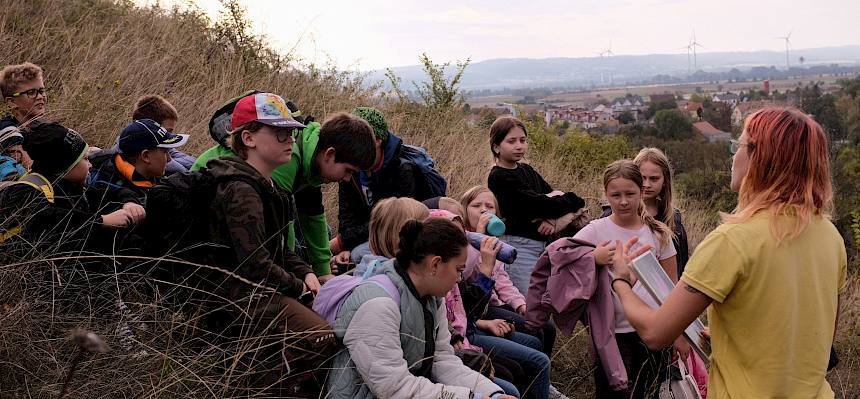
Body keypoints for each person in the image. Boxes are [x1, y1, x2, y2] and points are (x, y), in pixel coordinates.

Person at [608, 107, 847, 398]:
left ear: (761, 158)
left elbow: (656, 333)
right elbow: (815, 339)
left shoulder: (732, 241)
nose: (733, 156)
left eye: (739, 146)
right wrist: (730, 338)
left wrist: (620, 282)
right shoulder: (829, 235)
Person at [197, 93, 336, 392]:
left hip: (256, 287)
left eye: (292, 133)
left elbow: (277, 247)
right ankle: (254, 390)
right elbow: (254, 262)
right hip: (237, 293)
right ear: (248, 138)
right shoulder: (241, 189)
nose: (290, 140)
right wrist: (297, 286)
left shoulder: (268, 184)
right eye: (280, 133)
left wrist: (305, 271)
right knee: (321, 335)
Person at [193, 95, 377, 282]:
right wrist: (291, 277)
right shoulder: (288, 159)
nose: (347, 179)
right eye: (348, 171)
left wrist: (322, 271)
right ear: (330, 154)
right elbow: (279, 225)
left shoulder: (310, 160)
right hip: (207, 196)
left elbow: (313, 217)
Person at [327, 216, 514, 399]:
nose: (459, 278)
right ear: (435, 264)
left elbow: (441, 361)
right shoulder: (377, 307)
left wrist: (492, 393)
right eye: (458, 269)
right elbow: (394, 389)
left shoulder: (431, 298)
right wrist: (472, 396)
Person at [573, 160, 684, 398]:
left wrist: (677, 333)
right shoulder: (594, 230)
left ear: (641, 192)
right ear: (605, 194)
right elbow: (561, 261)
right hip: (611, 333)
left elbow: (671, 288)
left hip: (652, 330)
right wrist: (593, 257)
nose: (623, 201)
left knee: (650, 391)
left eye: (630, 194)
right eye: (615, 195)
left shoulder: (657, 233)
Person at [0, 122, 145, 251]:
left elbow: (110, 193)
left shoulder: (67, 184)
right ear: (66, 167)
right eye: (85, 159)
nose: (90, 164)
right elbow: (50, 222)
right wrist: (102, 222)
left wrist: (129, 202)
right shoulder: (26, 191)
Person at [486, 116, 585, 295]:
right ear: (496, 147)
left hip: (543, 245)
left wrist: (551, 217)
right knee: (527, 303)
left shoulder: (527, 170)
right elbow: (543, 204)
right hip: (518, 246)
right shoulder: (499, 177)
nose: (519, 146)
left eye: (522, 140)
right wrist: (567, 200)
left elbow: (555, 199)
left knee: (544, 303)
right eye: (511, 141)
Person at [460, 186, 559, 357]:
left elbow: (503, 281)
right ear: (464, 210)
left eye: (489, 207)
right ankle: (533, 368)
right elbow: (465, 272)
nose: (484, 210)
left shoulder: (496, 242)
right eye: (476, 206)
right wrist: (479, 237)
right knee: (534, 331)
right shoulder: (463, 242)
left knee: (545, 326)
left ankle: (543, 373)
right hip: (476, 306)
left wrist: (520, 304)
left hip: (494, 302)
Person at [332, 107, 436, 269]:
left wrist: (344, 241)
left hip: (399, 239)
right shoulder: (350, 168)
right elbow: (347, 213)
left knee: (359, 255)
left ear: (377, 140)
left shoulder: (403, 170)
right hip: (367, 237)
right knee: (340, 261)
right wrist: (345, 247)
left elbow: (395, 220)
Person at [602, 148, 689, 276]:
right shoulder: (613, 214)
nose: (647, 184)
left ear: (664, 181)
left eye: (654, 179)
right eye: (643, 178)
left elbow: (681, 267)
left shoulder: (673, 220)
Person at [90, 119, 189, 203]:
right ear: (146, 156)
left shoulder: (152, 179)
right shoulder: (111, 191)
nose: (169, 159)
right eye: (165, 152)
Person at [129, 95, 196, 174]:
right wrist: (171, 162)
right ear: (151, 128)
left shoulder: (160, 145)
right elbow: (187, 178)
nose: (170, 136)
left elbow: (195, 163)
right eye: (167, 131)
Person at [0, 62, 47, 128]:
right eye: (31, 92)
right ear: (12, 101)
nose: (40, 97)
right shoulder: (9, 134)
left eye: (41, 91)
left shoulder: (47, 129)